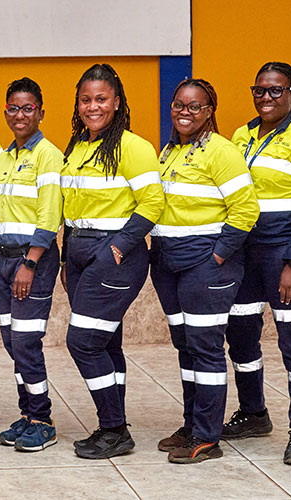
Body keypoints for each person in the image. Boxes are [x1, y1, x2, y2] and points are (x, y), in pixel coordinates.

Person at [151, 78, 259, 463]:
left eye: (195, 106)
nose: (184, 111)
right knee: (185, 347)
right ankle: (191, 424)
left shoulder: (222, 151)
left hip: (205, 263)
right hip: (168, 261)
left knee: (205, 348)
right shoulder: (168, 151)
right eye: (179, 104)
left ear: (210, 111)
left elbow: (246, 210)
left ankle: (207, 437)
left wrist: (216, 257)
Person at [60, 63, 165, 459]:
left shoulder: (133, 146)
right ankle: (114, 422)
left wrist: (117, 249)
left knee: (83, 341)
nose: (92, 106)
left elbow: (153, 202)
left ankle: (114, 428)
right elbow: (72, 207)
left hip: (115, 254)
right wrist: (68, 258)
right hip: (80, 250)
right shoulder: (78, 146)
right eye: (86, 100)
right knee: (105, 341)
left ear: (117, 101)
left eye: (101, 99)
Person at [0, 77, 63, 451]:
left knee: (25, 341)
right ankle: (27, 413)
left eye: (28, 108)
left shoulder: (48, 154)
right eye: (13, 108)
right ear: (6, 112)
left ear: (41, 112)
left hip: (30, 263)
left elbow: (50, 216)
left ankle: (43, 419)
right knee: (11, 342)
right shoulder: (4, 157)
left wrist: (30, 263)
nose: (20, 115)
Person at [225, 61, 291, 464]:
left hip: (282, 253)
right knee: (241, 336)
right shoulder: (242, 135)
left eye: (276, 90)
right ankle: (253, 413)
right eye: (259, 90)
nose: (266, 98)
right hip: (243, 255)